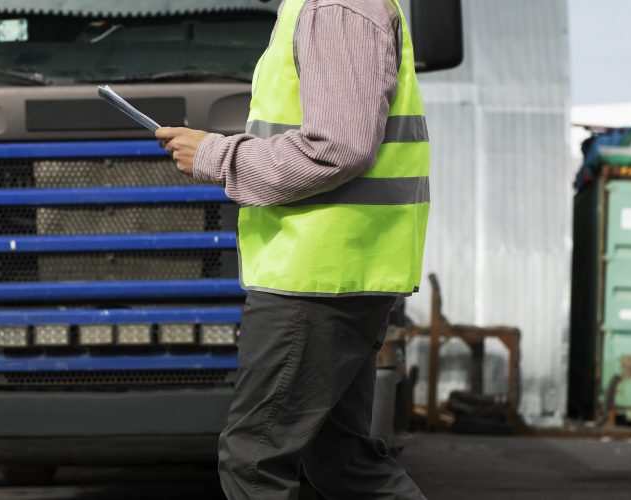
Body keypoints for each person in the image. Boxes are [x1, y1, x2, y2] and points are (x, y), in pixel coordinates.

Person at [154, 0, 431, 497]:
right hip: (333, 268)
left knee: (254, 461)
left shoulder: (334, 7)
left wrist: (215, 154)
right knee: (342, 461)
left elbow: (338, 147)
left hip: (316, 274)